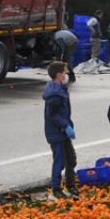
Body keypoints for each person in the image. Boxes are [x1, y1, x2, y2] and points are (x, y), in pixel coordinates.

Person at [42, 61, 78, 199]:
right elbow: (52, 115)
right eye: (64, 72)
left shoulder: (60, 89)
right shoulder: (54, 95)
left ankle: (70, 185)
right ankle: (56, 189)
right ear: (58, 75)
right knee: (60, 161)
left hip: (63, 132)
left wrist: (68, 126)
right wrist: (65, 126)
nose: (66, 74)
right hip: (56, 133)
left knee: (71, 159)